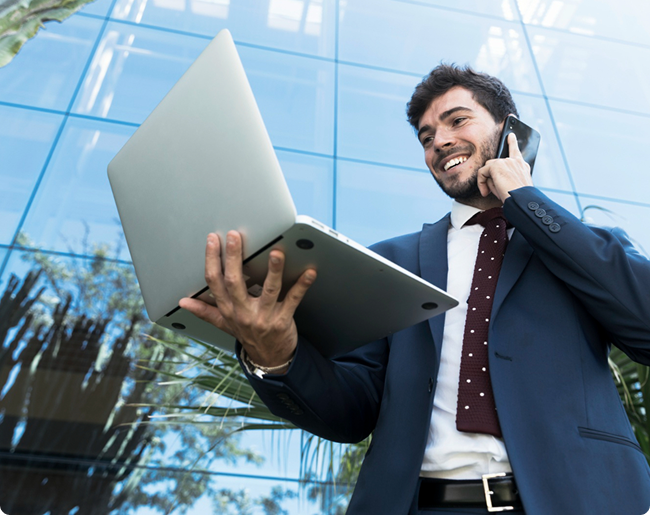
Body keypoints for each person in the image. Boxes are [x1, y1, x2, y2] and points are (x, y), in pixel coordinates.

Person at [180, 65, 650, 515]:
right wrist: (277, 357)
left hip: (577, 500)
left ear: (512, 132)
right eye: (426, 138)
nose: (439, 142)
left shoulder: (577, 246)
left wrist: (524, 201)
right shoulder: (391, 263)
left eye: (456, 120)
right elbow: (351, 411)